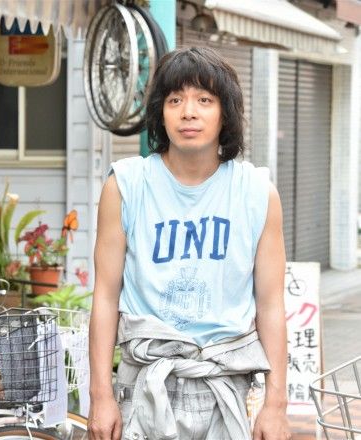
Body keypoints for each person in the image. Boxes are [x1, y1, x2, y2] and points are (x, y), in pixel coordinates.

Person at [88, 47, 290, 440]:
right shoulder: (126, 185)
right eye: (175, 100)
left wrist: (276, 404)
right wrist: (100, 395)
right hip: (143, 385)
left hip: (226, 389)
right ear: (160, 113)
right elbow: (106, 296)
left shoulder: (256, 192)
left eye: (205, 100)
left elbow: (271, 304)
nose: (189, 112)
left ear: (225, 113)